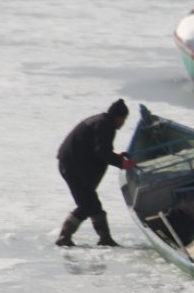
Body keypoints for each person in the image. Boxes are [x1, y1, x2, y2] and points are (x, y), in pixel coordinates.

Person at [55, 99, 137, 247]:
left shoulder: (100, 121)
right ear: (118, 117)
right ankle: (64, 237)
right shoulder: (105, 125)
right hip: (72, 166)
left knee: (92, 203)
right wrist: (121, 163)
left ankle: (104, 239)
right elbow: (102, 151)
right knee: (87, 204)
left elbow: (98, 149)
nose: (123, 123)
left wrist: (117, 158)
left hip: (73, 164)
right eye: (124, 119)